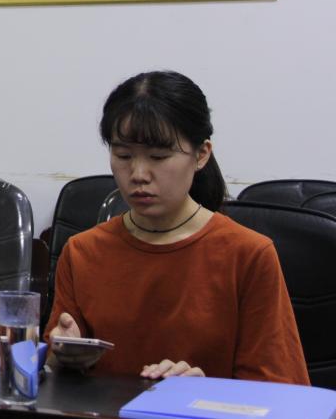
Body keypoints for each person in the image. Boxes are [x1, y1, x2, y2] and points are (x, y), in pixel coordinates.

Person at [47, 70, 309, 384]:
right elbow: (55, 375)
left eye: (158, 156)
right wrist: (60, 356)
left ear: (201, 155)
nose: (138, 173)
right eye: (123, 155)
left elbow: (278, 391)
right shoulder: (83, 252)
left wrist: (201, 391)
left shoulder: (248, 254)